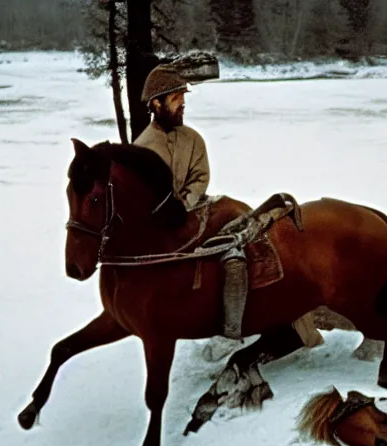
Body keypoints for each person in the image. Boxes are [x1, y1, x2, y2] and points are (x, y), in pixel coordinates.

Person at [134, 64, 323, 361]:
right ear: (156, 103)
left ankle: (235, 332)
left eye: (184, 98)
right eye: (176, 99)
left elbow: (200, 176)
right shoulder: (142, 149)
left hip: (198, 212)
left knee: (239, 252)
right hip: (165, 227)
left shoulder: (192, 139)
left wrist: (187, 201)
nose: (183, 104)